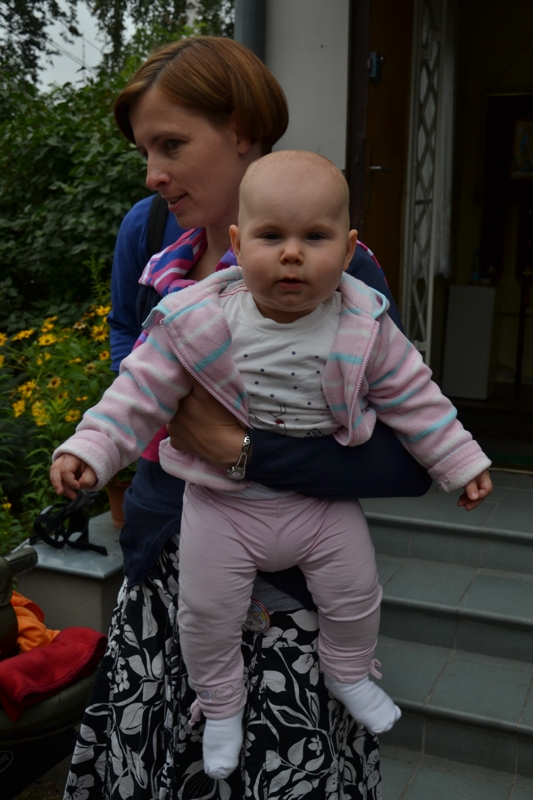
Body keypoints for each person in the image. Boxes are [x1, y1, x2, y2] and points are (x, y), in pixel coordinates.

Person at [59, 37, 437, 800]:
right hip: (164, 562)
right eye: (144, 151)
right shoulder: (148, 231)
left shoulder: (338, 270)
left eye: (170, 146)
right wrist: (152, 415)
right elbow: (130, 339)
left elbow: (407, 462)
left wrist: (237, 450)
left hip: (285, 595)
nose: (153, 173)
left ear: (240, 131)